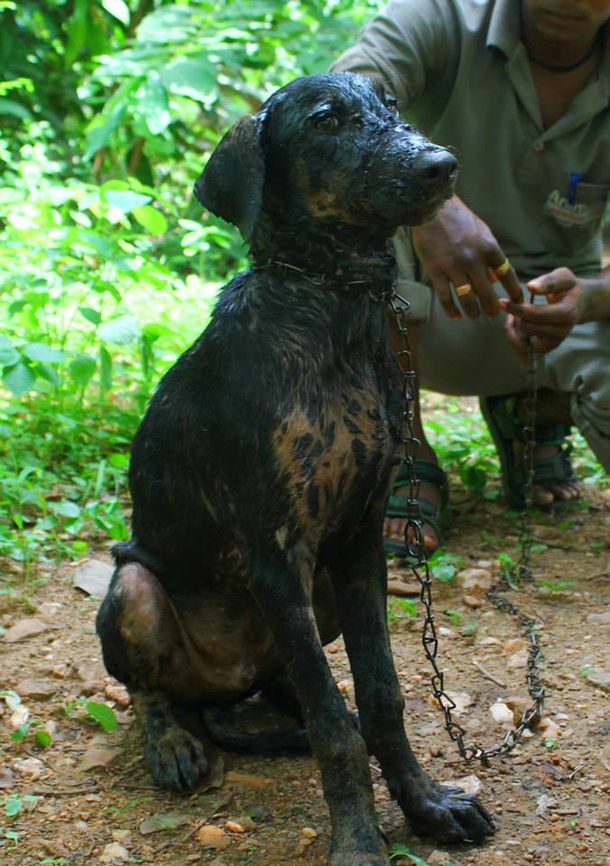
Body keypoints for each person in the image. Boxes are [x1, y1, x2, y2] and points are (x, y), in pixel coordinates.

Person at [333, 0, 610, 556]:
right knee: (355, 212)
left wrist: (589, 298)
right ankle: (401, 450)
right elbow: (337, 102)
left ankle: (533, 414)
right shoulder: (437, 15)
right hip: (412, 313)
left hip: (549, 323)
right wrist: (427, 204)